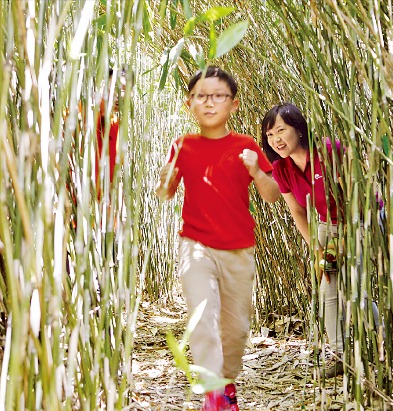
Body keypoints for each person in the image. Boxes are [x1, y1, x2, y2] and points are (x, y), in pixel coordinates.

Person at [155, 66, 280, 411]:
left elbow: (271, 195)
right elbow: (165, 193)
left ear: (234, 104)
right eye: (201, 96)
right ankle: (213, 395)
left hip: (239, 248)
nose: (210, 103)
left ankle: (226, 385)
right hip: (195, 245)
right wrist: (165, 178)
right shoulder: (182, 145)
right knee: (203, 316)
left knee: (235, 329)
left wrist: (256, 169)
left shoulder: (246, 145)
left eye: (218, 96)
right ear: (188, 103)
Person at [261, 102, 382, 379]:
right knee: (328, 287)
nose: (276, 139)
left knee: (354, 288)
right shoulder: (281, 168)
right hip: (328, 226)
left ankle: (379, 343)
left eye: (281, 130)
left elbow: (354, 196)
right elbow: (297, 211)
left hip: (361, 219)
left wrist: (348, 238)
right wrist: (317, 249)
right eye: (269, 135)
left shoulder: (328, 151)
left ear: (299, 130)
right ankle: (341, 356)